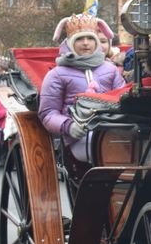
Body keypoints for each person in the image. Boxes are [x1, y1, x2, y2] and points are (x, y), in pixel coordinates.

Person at [39, 15, 126, 162]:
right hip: (78, 138)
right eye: (79, 39)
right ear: (70, 43)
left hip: (112, 132)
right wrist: (69, 126)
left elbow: (123, 100)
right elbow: (47, 113)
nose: (86, 43)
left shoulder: (111, 70)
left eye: (90, 38)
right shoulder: (56, 74)